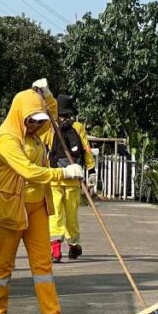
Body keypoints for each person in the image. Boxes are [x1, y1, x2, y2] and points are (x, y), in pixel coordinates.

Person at [0, 80, 86, 314]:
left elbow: (51, 113)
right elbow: (29, 171)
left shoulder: (36, 133)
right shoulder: (7, 138)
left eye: (39, 120)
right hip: (9, 209)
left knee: (43, 267)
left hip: (37, 208)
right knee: (3, 266)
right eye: (31, 119)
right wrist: (63, 172)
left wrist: (47, 95)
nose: (36, 124)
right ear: (20, 115)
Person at [48, 94, 95, 262]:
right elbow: (86, 149)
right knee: (71, 215)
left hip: (54, 177)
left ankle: (56, 251)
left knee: (55, 214)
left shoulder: (50, 126)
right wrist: (91, 169)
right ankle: (73, 246)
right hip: (74, 178)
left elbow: (45, 148)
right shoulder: (77, 126)